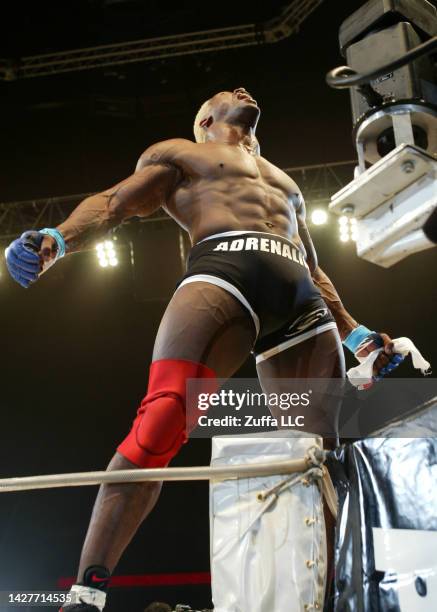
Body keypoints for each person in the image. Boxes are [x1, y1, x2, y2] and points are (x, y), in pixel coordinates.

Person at [5, 88, 403, 611]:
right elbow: (115, 202)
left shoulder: (283, 181)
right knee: (162, 421)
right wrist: (57, 237)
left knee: (319, 460)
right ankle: (85, 594)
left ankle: (326, 600)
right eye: (226, 93)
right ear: (205, 119)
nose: (242, 90)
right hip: (223, 277)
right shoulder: (183, 153)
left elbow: (312, 263)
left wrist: (354, 335)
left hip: (302, 303)